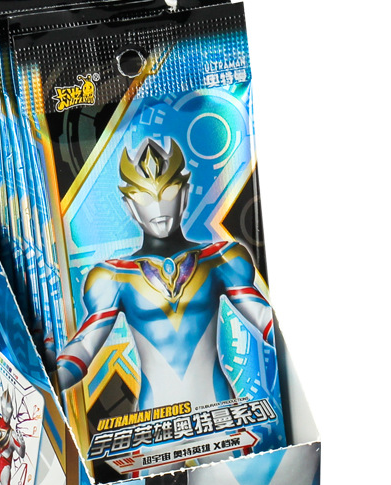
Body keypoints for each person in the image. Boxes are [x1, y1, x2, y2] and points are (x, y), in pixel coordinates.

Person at [57, 137, 274, 412]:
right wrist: (50, 377)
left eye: (168, 192)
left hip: (218, 409)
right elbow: (86, 346)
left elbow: (265, 320)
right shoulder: (113, 277)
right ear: (129, 205)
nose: (158, 207)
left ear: (184, 194)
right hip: (154, 416)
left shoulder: (221, 258)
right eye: (145, 197)